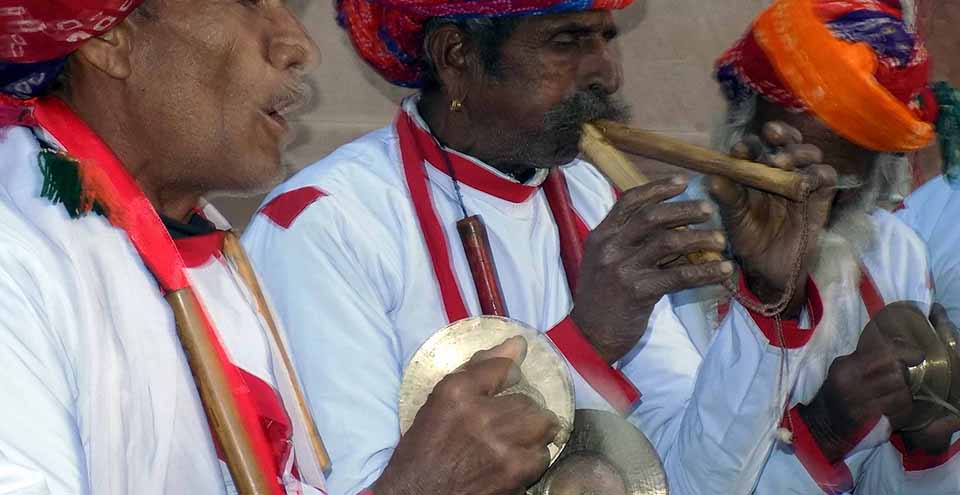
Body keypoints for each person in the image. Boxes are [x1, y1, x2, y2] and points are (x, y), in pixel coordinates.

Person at [241, 1, 835, 494]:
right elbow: (363, 485)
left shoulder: (587, 192)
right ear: (457, 56)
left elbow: (690, 475)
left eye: (604, 38)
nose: (607, 73)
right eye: (568, 42)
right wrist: (590, 340)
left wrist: (768, 299)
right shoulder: (325, 225)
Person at [0, 1, 559, 494]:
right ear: (106, 37)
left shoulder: (207, 253)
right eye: (248, 1)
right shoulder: (17, 255)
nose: (299, 46)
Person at [624, 0, 960, 493]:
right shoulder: (665, 250)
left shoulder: (896, 253)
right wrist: (825, 428)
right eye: (784, 170)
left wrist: (925, 444)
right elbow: (679, 484)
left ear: (875, 176)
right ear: (740, 131)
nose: (808, 206)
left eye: (836, 185)